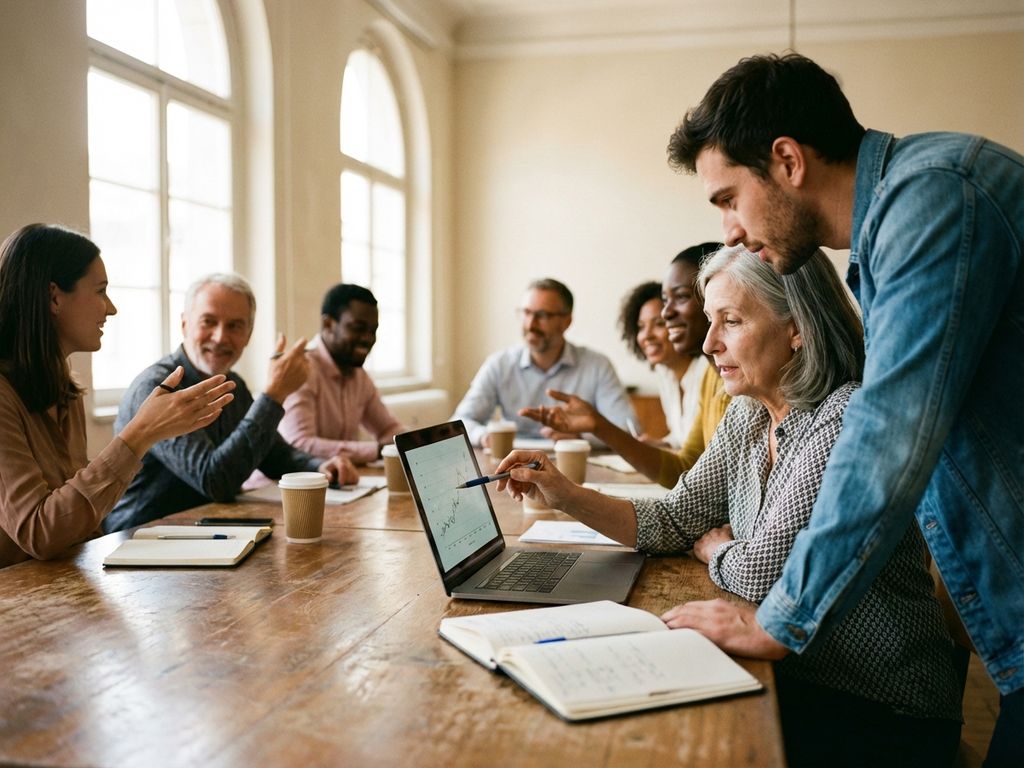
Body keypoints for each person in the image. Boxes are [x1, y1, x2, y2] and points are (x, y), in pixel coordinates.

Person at [664, 52, 1024, 765]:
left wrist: (782, 621)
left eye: (729, 199)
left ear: (788, 160)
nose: (730, 232)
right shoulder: (903, 218)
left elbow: (890, 432)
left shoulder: (933, 199)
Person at [497, 247, 962, 766]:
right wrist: (564, 494)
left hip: (882, 707)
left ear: (798, 328)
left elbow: (765, 576)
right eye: (711, 319)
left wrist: (719, 551)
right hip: (798, 680)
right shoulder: (747, 414)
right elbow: (673, 520)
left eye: (731, 321)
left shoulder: (844, 413)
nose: (708, 342)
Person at [0, 224, 235, 567]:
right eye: (100, 291)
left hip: (64, 587)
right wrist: (140, 434)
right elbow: (40, 532)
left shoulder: (65, 390)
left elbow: (79, 527)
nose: (110, 309)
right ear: (54, 297)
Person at [104, 273, 358, 532]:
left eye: (235, 326)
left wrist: (319, 466)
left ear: (248, 335)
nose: (220, 337)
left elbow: (274, 455)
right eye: (208, 322)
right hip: (141, 540)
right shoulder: (158, 388)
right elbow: (215, 481)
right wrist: (273, 394)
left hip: (207, 534)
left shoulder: (232, 382)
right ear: (184, 325)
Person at [522, 244, 729, 487]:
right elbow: (685, 468)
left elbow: (709, 481)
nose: (668, 312)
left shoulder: (731, 380)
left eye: (681, 297)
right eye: (665, 301)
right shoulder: (708, 378)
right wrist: (597, 425)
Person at [451, 277, 635, 447]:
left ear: (566, 321)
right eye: (526, 313)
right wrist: (485, 436)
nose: (531, 325)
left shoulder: (597, 366)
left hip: (573, 461)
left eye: (542, 315)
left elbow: (628, 429)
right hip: (512, 464)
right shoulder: (499, 364)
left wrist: (581, 436)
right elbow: (458, 423)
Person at [278, 283, 405, 464]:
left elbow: (388, 429)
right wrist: (378, 451)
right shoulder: (302, 369)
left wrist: (415, 442)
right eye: (358, 328)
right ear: (328, 324)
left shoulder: (359, 375)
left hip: (339, 484)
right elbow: (299, 444)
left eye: (373, 331)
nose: (368, 339)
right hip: (281, 488)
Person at [619, 278, 707, 447]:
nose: (646, 335)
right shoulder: (666, 374)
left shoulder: (707, 371)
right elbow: (681, 438)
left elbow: (701, 447)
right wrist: (660, 444)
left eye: (659, 324)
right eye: (641, 327)